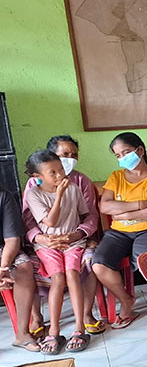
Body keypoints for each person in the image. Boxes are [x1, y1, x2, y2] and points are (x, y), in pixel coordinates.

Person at [23, 135, 104, 336]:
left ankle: (85, 316)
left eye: (74, 155)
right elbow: (28, 218)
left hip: (75, 238)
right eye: (64, 154)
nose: (69, 160)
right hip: (45, 241)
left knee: (88, 261)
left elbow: (90, 214)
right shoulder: (34, 188)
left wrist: (76, 235)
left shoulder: (79, 182)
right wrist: (40, 238)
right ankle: (39, 319)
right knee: (29, 267)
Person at [93, 132, 147, 328]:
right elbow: (105, 207)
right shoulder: (116, 177)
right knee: (99, 264)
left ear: (140, 150)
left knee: (146, 259)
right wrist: (140, 204)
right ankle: (126, 300)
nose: (122, 158)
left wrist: (125, 215)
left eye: (126, 152)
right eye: (118, 155)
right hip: (119, 232)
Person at [2, 189, 38, 352]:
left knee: (24, 267)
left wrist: (3, 268)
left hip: (3, 249)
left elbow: (12, 240)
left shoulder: (3, 195)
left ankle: (22, 334)